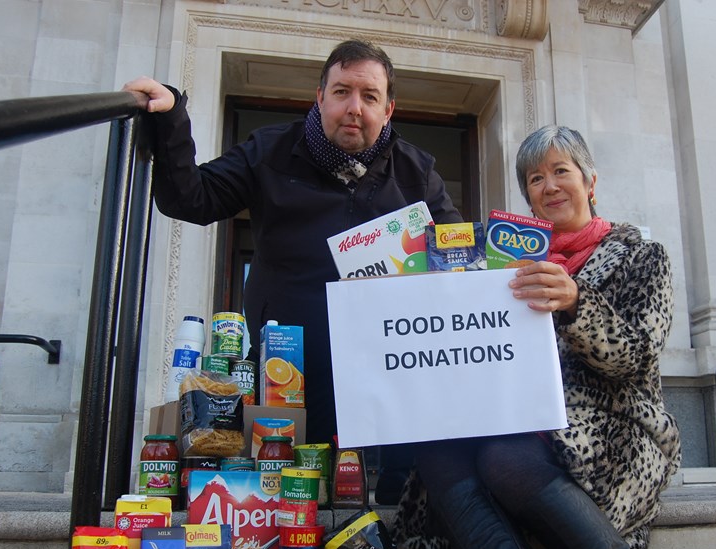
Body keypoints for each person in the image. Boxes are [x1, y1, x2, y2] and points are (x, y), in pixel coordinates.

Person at [393, 125, 693, 549]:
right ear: (527, 196)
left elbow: (636, 356)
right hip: (517, 423)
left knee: (503, 459)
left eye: (561, 171)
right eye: (536, 178)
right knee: (437, 451)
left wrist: (577, 303)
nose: (550, 185)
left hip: (610, 435)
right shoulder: (503, 266)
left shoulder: (642, 256)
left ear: (590, 180)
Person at [123, 40, 462, 444]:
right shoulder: (269, 151)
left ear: (388, 109)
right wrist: (171, 117)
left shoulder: (418, 172)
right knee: (297, 488)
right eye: (341, 92)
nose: (355, 107)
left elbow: (457, 259)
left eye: (370, 96)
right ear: (320, 98)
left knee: (396, 492)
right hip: (289, 372)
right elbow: (190, 198)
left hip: (388, 371)